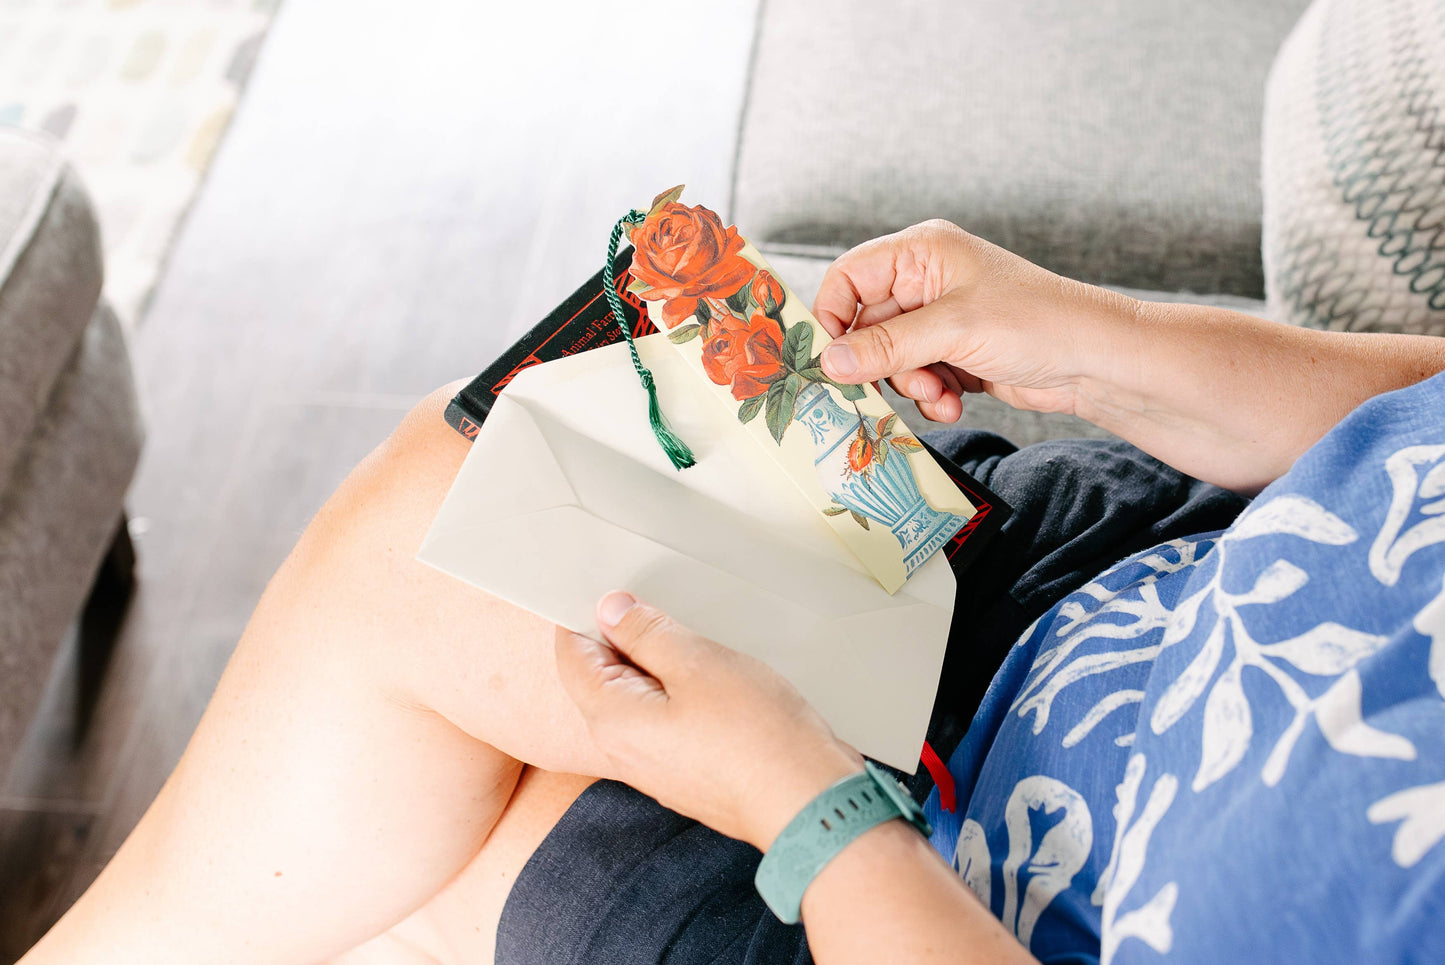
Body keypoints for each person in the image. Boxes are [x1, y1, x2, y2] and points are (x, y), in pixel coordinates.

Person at [19, 221, 1445, 964]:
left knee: (441, 810)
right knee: (449, 505)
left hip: (977, 900)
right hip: (1110, 581)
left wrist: (808, 814)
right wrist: (1087, 338)